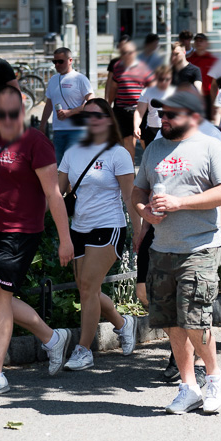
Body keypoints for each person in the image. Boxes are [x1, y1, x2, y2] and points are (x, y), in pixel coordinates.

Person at [0, 86, 74, 397]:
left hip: (21, 232)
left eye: (12, 113)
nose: (6, 119)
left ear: (23, 111)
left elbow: (53, 195)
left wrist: (65, 240)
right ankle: (53, 338)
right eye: (1, 113)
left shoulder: (36, 142)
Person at [131, 90, 221, 415]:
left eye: (170, 114)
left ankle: (214, 377)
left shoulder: (210, 145)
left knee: (194, 319)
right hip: (162, 248)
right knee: (172, 322)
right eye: (161, 113)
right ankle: (188, 387)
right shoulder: (154, 149)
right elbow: (138, 191)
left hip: (200, 247)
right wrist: (145, 213)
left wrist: (180, 203)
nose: (163, 119)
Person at [57, 98, 138, 371]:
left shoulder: (118, 154)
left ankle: (84, 350)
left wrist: (139, 232)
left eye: (97, 116)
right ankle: (123, 323)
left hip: (108, 226)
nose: (91, 120)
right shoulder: (72, 152)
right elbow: (55, 193)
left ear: (108, 121)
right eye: (87, 116)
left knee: (89, 288)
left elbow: (129, 197)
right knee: (86, 288)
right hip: (78, 228)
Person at [40, 47, 93, 165]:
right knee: (59, 166)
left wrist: (71, 112)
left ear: (70, 60)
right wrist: (42, 124)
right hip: (58, 130)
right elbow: (49, 104)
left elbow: (92, 103)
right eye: (55, 62)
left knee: (74, 165)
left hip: (77, 131)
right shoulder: (53, 80)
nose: (57, 65)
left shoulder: (80, 79)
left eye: (60, 61)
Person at [106, 39, 152, 162]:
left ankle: (148, 166)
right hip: (122, 110)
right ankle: (130, 169)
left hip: (140, 110)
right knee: (127, 140)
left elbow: (151, 88)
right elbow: (113, 87)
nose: (126, 55)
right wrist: (108, 105)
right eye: (124, 52)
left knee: (144, 140)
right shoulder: (117, 67)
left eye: (129, 52)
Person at [136, 65, 174, 147]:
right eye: (161, 79)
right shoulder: (147, 91)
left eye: (167, 79)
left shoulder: (175, 92)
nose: (164, 82)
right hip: (152, 129)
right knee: (150, 153)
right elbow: (139, 111)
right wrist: (136, 126)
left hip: (170, 129)